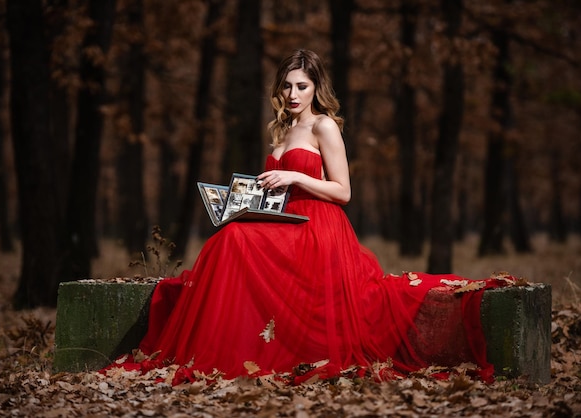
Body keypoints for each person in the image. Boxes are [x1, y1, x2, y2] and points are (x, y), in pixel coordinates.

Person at [107, 49, 510, 385]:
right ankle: (227, 351)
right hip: (283, 223)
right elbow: (279, 186)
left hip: (319, 227)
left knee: (233, 242)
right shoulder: (281, 130)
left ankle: (229, 354)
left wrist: (296, 174)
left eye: (302, 85)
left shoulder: (324, 126)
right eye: (287, 85)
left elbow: (344, 191)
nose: (293, 93)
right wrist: (247, 199)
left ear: (317, 87)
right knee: (227, 238)